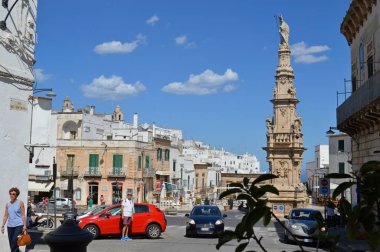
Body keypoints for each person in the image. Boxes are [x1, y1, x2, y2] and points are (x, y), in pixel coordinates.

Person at [1, 187, 27, 252]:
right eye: (10, 194)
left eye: (13, 194)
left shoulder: (20, 203)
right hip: (10, 225)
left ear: (16, 195)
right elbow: (5, 216)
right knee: (11, 242)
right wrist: (2, 225)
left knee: (15, 240)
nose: (11, 195)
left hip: (18, 225)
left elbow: (23, 215)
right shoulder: (8, 204)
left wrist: (24, 226)